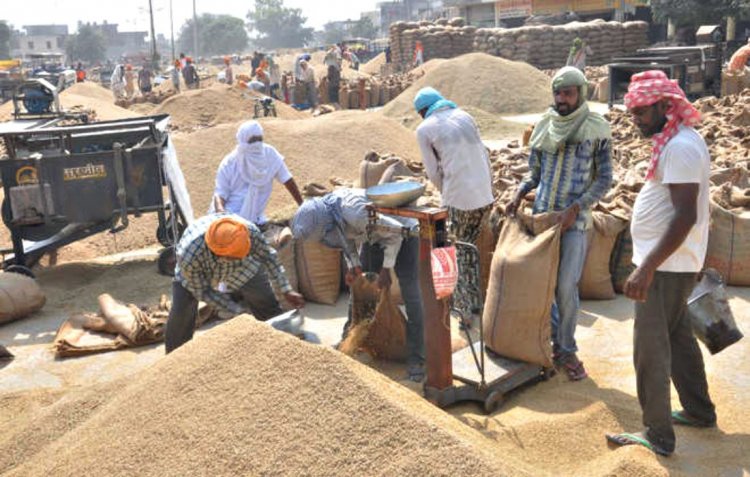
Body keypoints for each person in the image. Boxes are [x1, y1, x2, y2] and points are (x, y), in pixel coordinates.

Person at [606, 70, 715, 457]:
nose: (635, 119)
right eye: (632, 112)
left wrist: (646, 266)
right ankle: (699, 410)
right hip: (674, 263)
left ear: (666, 106)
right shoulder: (676, 142)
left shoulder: (681, 147)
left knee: (650, 346)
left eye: (642, 112)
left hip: (666, 267)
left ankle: (658, 434)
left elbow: (684, 215)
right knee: (678, 337)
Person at [506, 67, 612, 381]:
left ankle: (567, 349)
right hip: (543, 221)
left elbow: (605, 179)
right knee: (543, 286)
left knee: (566, 288)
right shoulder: (544, 126)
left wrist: (577, 207)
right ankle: (551, 341)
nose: (562, 99)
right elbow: (534, 174)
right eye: (557, 93)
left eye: (568, 93)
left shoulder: (596, 129)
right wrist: (519, 192)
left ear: (580, 92)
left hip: (574, 224)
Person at [291, 188, 425, 381]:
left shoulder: (353, 212)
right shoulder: (330, 215)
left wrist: (387, 269)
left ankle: (416, 358)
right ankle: (350, 338)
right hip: (374, 235)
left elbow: (394, 234)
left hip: (403, 233)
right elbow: (346, 240)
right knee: (359, 289)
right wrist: (354, 266)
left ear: (326, 223)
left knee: (411, 293)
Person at [165, 214, 304, 353]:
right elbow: (203, 291)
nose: (240, 256)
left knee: (265, 300)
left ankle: (280, 345)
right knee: (181, 312)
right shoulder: (189, 255)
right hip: (198, 272)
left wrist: (286, 288)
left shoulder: (248, 232)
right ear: (220, 255)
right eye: (236, 256)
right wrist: (237, 311)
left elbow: (268, 257)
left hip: (244, 267)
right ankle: (174, 358)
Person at [413, 87, 493, 324]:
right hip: (485, 195)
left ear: (422, 111)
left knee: (454, 253)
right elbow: (484, 155)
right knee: (471, 250)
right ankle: (476, 302)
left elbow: (432, 172)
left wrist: (444, 193)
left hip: (460, 198)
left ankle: (464, 312)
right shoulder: (465, 116)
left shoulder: (425, 129)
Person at [212, 121, 303, 228]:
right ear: (242, 141)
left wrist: (302, 206)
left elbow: (287, 180)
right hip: (231, 218)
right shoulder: (229, 163)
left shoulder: (270, 154)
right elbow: (220, 194)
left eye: (259, 140)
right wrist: (222, 215)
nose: (256, 144)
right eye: (252, 141)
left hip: (257, 219)